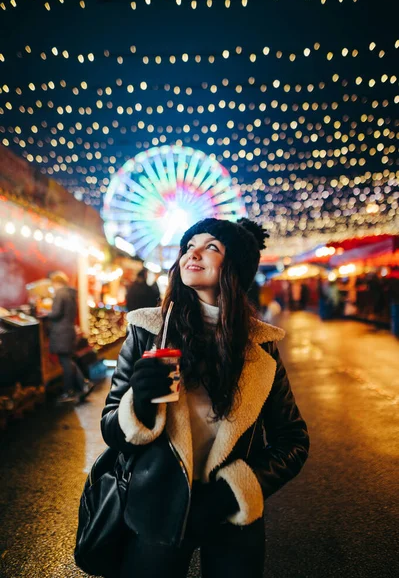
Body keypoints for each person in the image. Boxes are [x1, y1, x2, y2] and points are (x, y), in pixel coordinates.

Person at [101, 218, 309, 578]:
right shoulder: (147, 332)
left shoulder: (261, 347)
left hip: (231, 516)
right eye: (189, 245)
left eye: (211, 246)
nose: (192, 253)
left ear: (235, 268)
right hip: (157, 508)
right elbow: (111, 430)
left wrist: (235, 491)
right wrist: (138, 404)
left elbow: (292, 441)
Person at [47, 271, 94, 403]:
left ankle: (69, 391)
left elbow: (56, 313)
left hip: (61, 332)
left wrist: (46, 313)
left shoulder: (60, 294)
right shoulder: (70, 294)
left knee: (65, 362)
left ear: (56, 283)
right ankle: (84, 384)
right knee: (68, 360)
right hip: (69, 330)